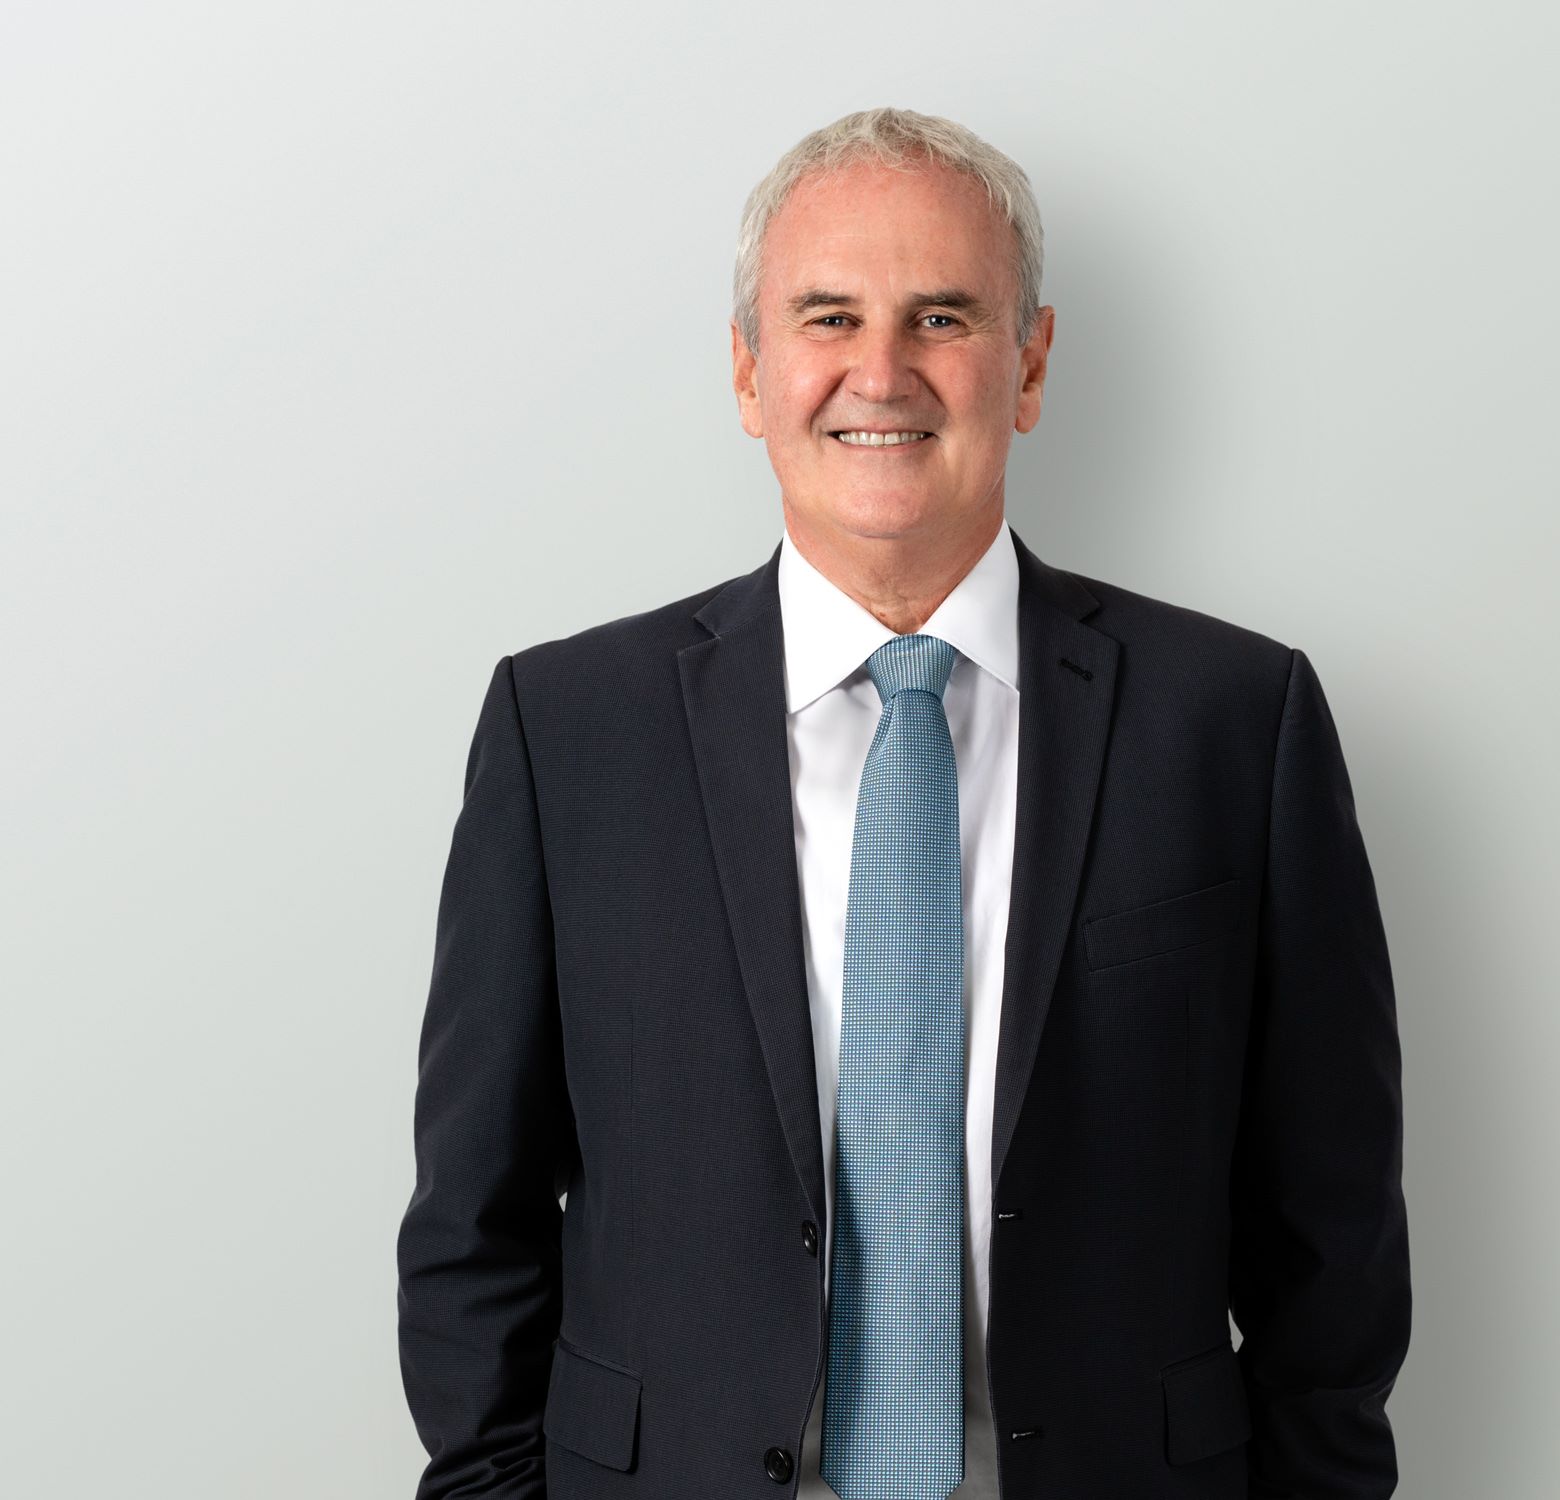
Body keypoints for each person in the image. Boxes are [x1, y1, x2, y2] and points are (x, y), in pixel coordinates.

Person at [396, 106, 1411, 1500]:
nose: (881, 372)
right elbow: (473, 1221)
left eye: (943, 316)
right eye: (828, 317)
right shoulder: (566, 730)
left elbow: (1332, 1231)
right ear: (750, 371)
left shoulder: (1236, 721)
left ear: (1029, 364)